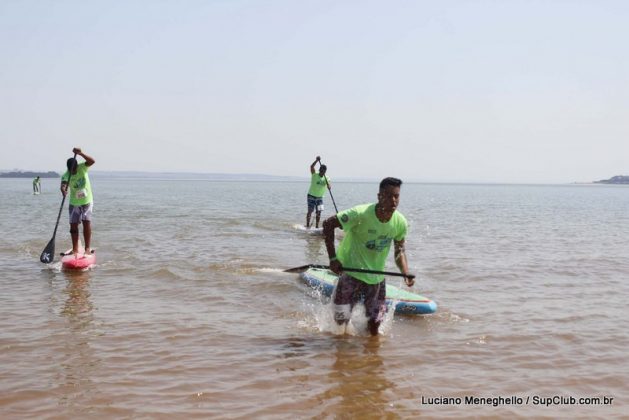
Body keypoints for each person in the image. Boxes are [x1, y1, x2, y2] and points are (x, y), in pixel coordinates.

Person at [322, 177, 414, 336]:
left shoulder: (400, 222)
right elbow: (328, 224)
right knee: (340, 326)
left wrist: (405, 271)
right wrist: (332, 259)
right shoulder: (360, 213)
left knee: (374, 328)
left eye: (396, 196)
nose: (393, 201)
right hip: (350, 275)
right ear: (379, 196)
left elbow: (400, 250)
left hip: (376, 280)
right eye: (389, 196)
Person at [60, 147, 96, 256]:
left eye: (75, 169)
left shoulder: (82, 167)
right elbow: (63, 184)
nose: (74, 171)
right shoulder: (66, 175)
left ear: (77, 166)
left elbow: (92, 161)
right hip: (74, 203)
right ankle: (75, 249)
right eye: (72, 170)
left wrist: (80, 153)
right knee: (73, 225)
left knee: (86, 222)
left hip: (87, 201)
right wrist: (63, 190)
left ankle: (87, 248)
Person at [306, 156, 331, 228]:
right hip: (311, 196)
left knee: (319, 212)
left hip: (320, 198)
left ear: (325, 171)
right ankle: (307, 225)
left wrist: (329, 186)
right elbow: (311, 166)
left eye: (324, 172)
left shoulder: (327, 178)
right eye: (321, 171)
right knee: (310, 211)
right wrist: (316, 160)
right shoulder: (314, 175)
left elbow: (329, 184)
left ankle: (317, 226)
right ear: (319, 170)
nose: (322, 173)